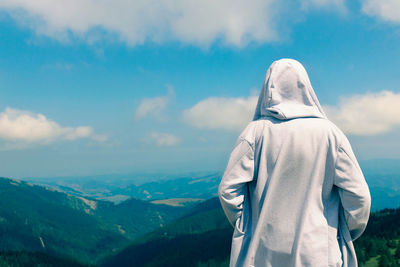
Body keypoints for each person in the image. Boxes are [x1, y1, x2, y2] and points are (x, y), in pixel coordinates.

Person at [218, 58, 371, 267]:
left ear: (268, 88)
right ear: (306, 87)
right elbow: (359, 197)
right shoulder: (330, 135)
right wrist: (340, 231)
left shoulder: (254, 134)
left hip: (261, 254)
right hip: (318, 253)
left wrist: (249, 225)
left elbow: (228, 191)